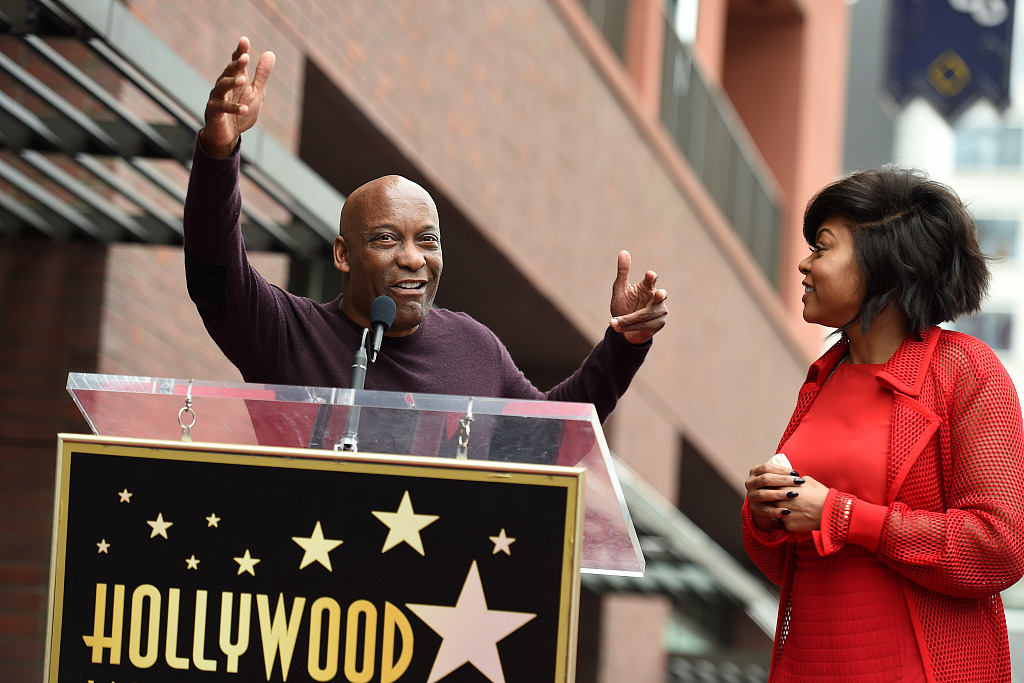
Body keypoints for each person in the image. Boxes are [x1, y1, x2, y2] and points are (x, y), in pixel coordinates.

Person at [183, 37, 667, 425]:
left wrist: (625, 345)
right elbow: (214, 274)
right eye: (386, 239)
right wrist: (218, 153)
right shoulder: (290, 335)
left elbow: (552, 434)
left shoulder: (474, 348)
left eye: (427, 241)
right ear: (343, 254)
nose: (414, 258)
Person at [742, 167, 1024, 682]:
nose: (804, 264)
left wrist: (842, 515)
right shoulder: (821, 379)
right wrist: (766, 516)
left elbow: (999, 546)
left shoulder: (965, 369)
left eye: (822, 247)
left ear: (884, 264)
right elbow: (790, 568)